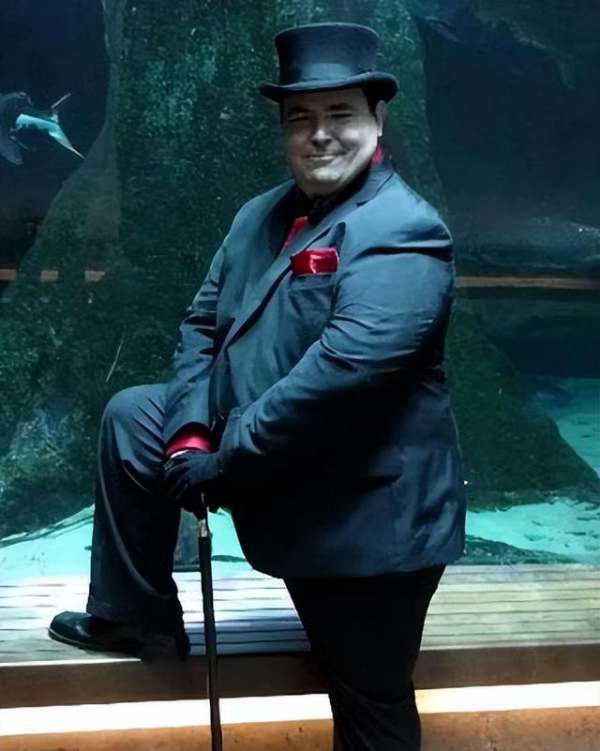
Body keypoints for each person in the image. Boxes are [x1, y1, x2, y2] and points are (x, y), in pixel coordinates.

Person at [50, 22, 467, 750]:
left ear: (378, 119)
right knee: (134, 416)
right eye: (300, 118)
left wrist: (224, 457)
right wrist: (188, 433)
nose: (319, 135)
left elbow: (343, 377)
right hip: (270, 463)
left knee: (369, 705)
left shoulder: (404, 231)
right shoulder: (258, 216)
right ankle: (137, 616)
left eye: (339, 114)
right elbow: (201, 325)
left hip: (365, 516)